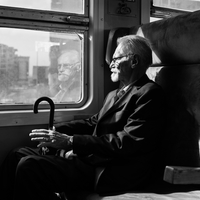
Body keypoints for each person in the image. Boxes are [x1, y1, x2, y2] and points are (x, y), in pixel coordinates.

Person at [0, 35, 167, 200]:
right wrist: (56, 130)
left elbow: (127, 142)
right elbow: (92, 122)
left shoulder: (149, 94)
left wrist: (71, 142)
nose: (111, 64)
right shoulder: (114, 94)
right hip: (93, 158)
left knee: (29, 166)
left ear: (134, 61)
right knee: (17, 155)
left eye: (116, 58)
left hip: (112, 168)